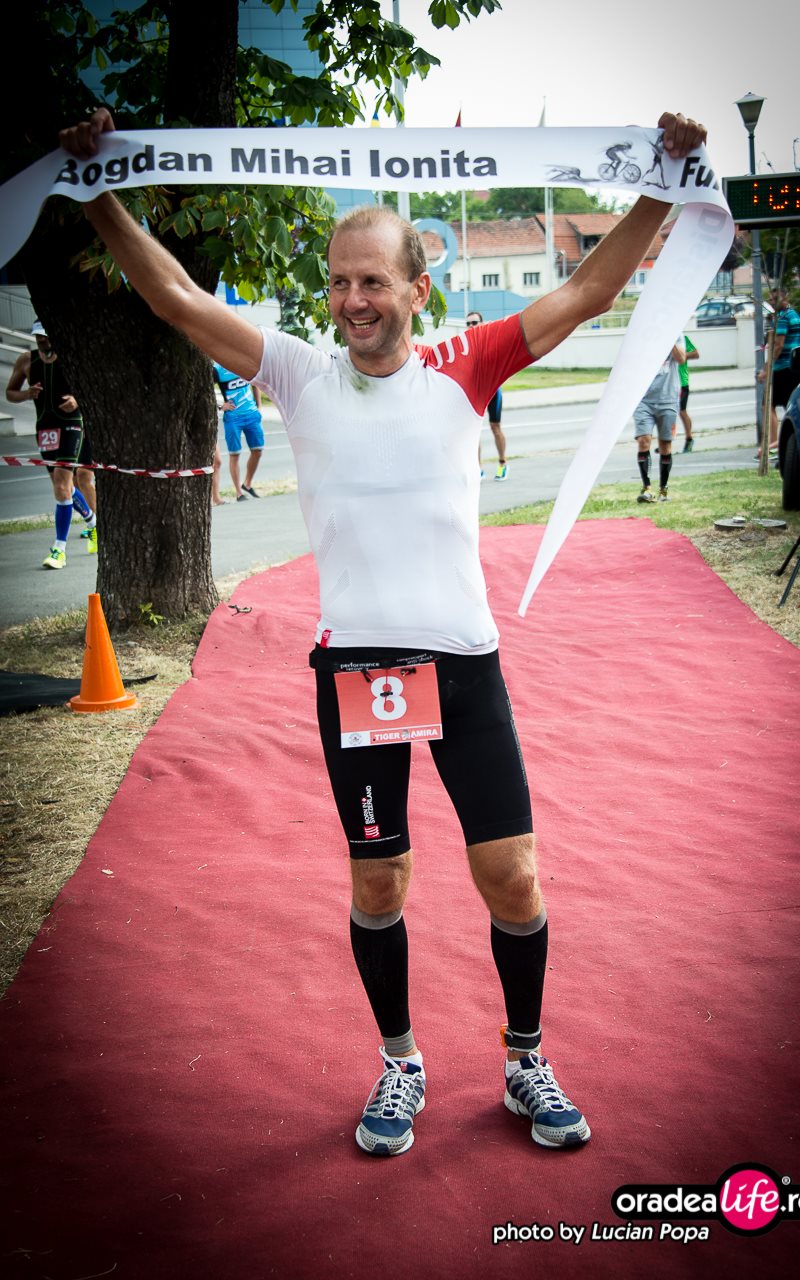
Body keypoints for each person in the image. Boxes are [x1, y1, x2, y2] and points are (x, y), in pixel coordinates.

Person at [59, 106, 707, 1157]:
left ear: (416, 288)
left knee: (513, 876)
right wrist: (98, 196)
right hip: (360, 666)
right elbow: (174, 298)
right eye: (337, 280)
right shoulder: (298, 375)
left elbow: (588, 291)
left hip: (463, 660)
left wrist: (663, 184)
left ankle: (524, 1056)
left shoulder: (466, 364)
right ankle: (399, 1060)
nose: (351, 300)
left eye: (372, 281)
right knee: (379, 880)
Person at [5, 321, 97, 568]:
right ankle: (93, 522)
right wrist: (26, 394)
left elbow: (94, 387)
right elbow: (10, 392)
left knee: (62, 485)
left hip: (71, 424)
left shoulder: (72, 357)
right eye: (38, 337)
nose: (42, 341)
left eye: (45, 336)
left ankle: (59, 550)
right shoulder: (26, 360)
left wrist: (78, 401)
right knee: (61, 488)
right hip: (45, 427)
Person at [633, 341, 686, 503]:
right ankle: (646, 488)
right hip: (643, 400)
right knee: (644, 440)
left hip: (667, 400)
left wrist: (668, 338)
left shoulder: (676, 334)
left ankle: (663, 489)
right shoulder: (645, 335)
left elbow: (681, 358)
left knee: (665, 445)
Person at [757, 289, 800, 461]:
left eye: (775, 298)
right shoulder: (794, 315)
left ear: (785, 297)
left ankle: (774, 443)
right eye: (770, 298)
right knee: (788, 406)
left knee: (767, 405)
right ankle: (785, 443)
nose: (771, 300)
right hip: (794, 367)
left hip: (782, 368)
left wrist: (767, 369)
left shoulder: (783, 317)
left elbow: (778, 345)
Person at [465, 311, 508, 480]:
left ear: (482, 324)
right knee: (474, 430)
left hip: (493, 390)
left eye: (474, 322)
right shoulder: (466, 346)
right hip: (476, 391)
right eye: (468, 323)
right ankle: (478, 468)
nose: (471, 326)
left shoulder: (490, 342)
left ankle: (503, 463)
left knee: (495, 427)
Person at [213, 361, 265, 499]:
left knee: (258, 451)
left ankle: (247, 484)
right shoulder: (217, 370)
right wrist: (220, 405)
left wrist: (259, 407)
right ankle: (238, 492)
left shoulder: (242, 362)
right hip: (233, 418)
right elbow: (203, 389)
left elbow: (255, 384)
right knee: (235, 454)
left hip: (252, 414)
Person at [678, 334, 699, 451]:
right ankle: (666, 441)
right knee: (666, 413)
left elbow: (696, 354)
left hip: (682, 382)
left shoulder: (682, 338)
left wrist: (681, 355)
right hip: (667, 384)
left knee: (682, 411)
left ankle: (689, 439)